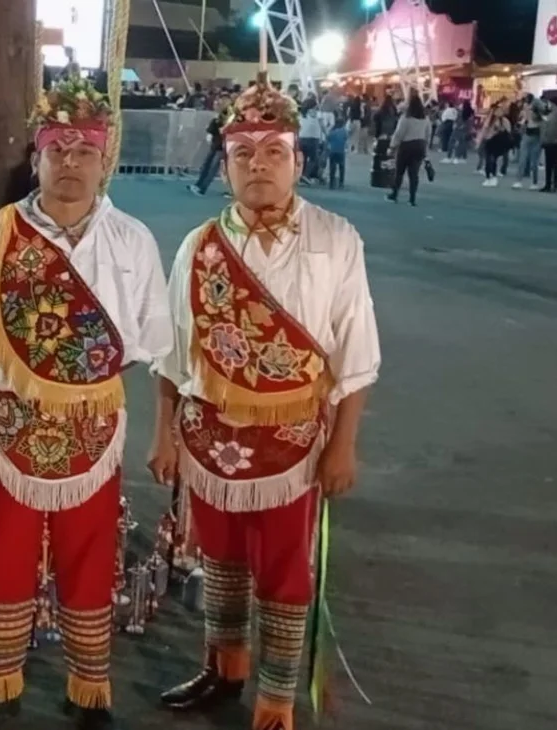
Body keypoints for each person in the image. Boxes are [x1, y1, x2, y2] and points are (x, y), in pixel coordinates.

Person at [151, 78, 381, 730]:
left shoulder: (336, 239)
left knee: (283, 570)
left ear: (298, 161)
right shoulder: (199, 246)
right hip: (208, 437)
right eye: (243, 153)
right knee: (218, 560)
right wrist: (164, 434)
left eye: (273, 151)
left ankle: (277, 697)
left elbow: (356, 353)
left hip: (291, 442)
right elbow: (172, 353)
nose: (258, 165)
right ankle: (224, 668)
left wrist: (343, 445)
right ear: (224, 166)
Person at [0, 75, 172, 730]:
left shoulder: (132, 241)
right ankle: (0, 678)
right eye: (57, 150)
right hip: (9, 424)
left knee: (90, 553)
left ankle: (88, 683)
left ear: (106, 159)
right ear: (36, 156)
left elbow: (159, 349)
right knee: (4, 554)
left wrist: (167, 432)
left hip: (91, 428)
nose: (70, 164)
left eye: (84, 151)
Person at [388, 92, 431, 206]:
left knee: (399, 172)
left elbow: (399, 134)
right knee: (414, 174)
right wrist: (425, 149)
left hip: (406, 146)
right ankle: (412, 198)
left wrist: (392, 146)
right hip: (420, 146)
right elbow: (428, 134)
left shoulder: (406, 118)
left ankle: (394, 194)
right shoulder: (425, 119)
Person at [191, 93, 231, 196]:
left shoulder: (231, 116)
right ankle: (198, 184)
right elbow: (214, 127)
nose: (220, 103)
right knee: (207, 165)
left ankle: (202, 188)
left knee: (213, 168)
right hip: (216, 143)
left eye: (223, 101)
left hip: (223, 146)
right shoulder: (219, 115)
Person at [513, 94, 543, 189]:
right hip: (529, 134)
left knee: (533, 161)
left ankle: (531, 182)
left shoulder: (537, 111)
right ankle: (523, 181)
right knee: (525, 159)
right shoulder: (529, 109)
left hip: (535, 135)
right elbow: (524, 120)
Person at [297, 104, 323, 184]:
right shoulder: (317, 115)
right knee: (313, 158)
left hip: (301, 138)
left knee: (303, 158)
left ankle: (300, 175)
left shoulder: (301, 116)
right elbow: (322, 126)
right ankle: (306, 175)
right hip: (313, 138)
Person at [325, 116, 348, 190]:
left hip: (333, 151)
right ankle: (341, 182)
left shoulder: (332, 132)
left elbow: (328, 139)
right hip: (341, 151)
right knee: (342, 167)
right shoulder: (344, 131)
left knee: (332, 167)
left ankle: (332, 183)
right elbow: (346, 139)